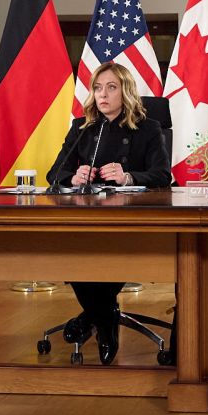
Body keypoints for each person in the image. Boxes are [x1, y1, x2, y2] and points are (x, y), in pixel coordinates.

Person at [47, 61, 171, 364]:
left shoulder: (148, 128)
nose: (103, 95)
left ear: (126, 91)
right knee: (75, 254)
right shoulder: (83, 127)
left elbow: (162, 175)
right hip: (86, 217)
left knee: (110, 251)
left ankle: (98, 321)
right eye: (98, 88)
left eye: (111, 87)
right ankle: (104, 317)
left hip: (131, 220)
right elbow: (55, 173)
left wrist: (128, 176)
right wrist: (73, 178)